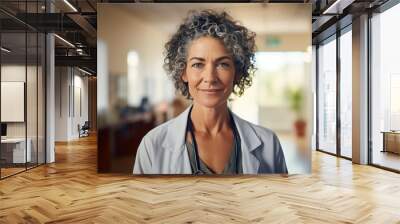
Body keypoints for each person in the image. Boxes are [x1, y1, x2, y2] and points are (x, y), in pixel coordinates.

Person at [133, 10, 287, 174]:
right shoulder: (152, 144)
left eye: (223, 64)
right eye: (198, 64)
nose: (210, 78)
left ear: (238, 72)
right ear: (183, 72)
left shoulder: (269, 143)